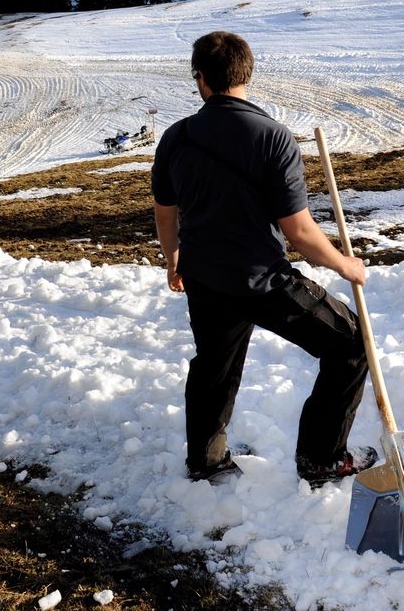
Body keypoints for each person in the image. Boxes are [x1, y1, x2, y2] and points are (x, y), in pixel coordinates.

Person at [151, 31, 376, 486]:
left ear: (200, 79)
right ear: (247, 74)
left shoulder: (176, 138)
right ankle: (322, 459)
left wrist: (173, 258)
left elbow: (165, 211)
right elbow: (298, 231)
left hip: (204, 278)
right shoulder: (273, 138)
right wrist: (344, 265)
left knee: (214, 363)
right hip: (261, 282)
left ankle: (207, 462)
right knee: (350, 346)